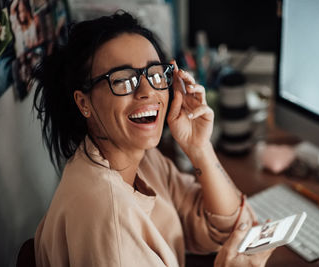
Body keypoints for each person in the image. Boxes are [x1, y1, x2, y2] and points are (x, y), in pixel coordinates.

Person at [33, 11, 273, 267]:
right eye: (123, 79)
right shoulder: (108, 218)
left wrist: (199, 148)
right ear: (84, 103)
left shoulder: (141, 159)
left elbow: (225, 227)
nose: (148, 91)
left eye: (156, 74)